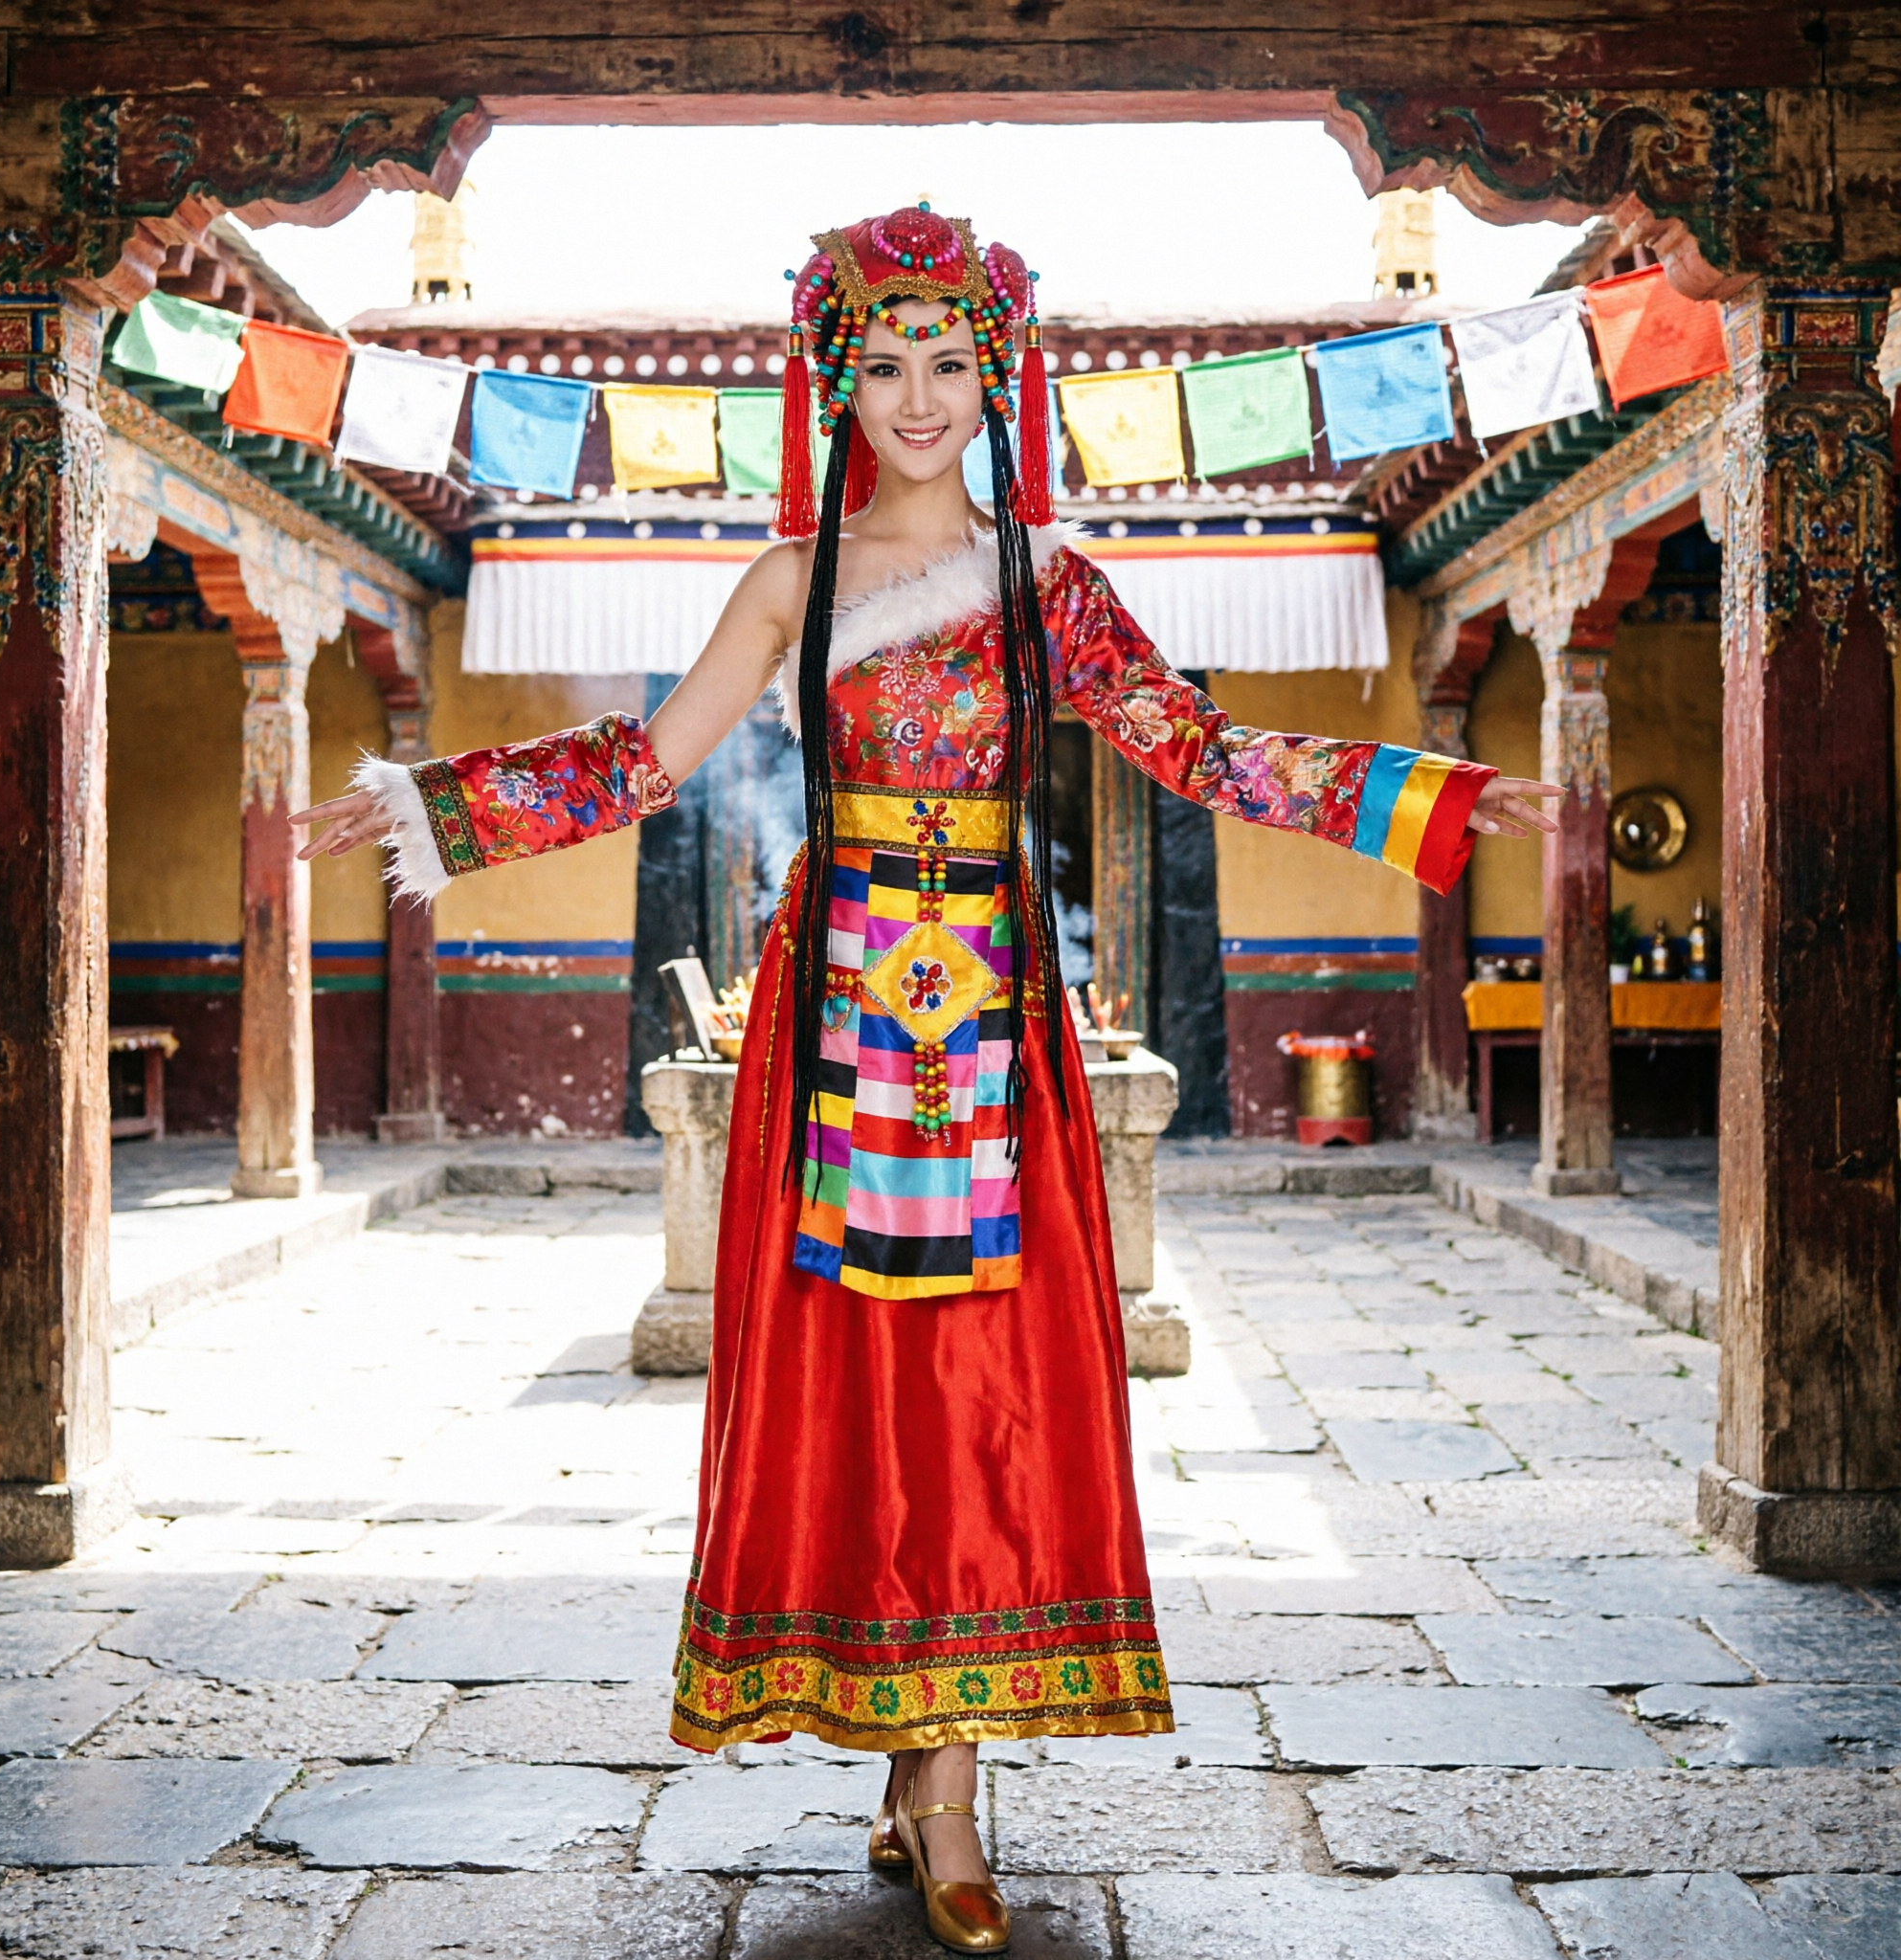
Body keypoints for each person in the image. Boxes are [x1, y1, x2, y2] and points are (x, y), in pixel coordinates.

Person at [294, 205, 1559, 1952]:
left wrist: (1423, 793)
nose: (916, 393)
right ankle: (907, 1763)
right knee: (863, 1369)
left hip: (988, 1009)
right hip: (835, 1023)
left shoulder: (1050, 587)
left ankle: (951, 1790)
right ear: (837, 377)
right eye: (883, 361)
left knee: (980, 1368)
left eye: (948, 361)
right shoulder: (790, 584)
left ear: (994, 377)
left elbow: (1193, 746)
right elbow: (648, 765)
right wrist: (433, 805)